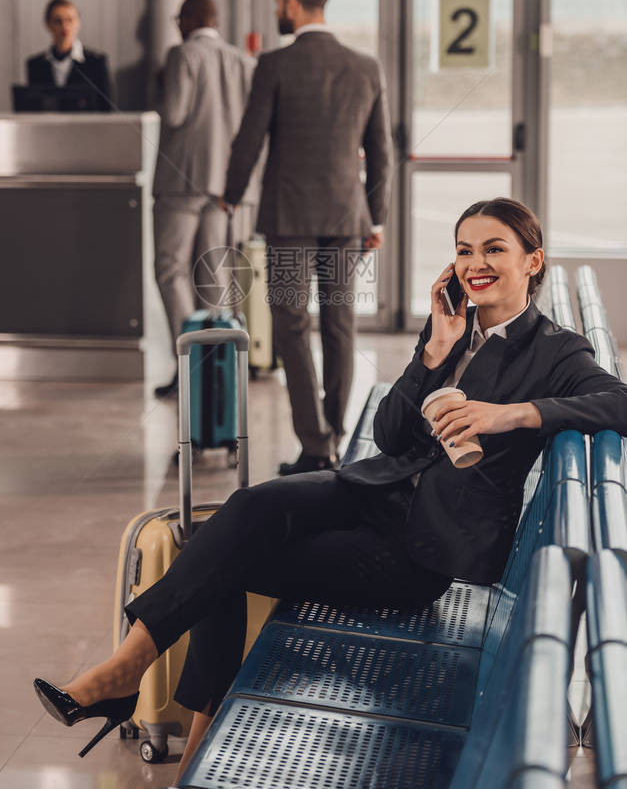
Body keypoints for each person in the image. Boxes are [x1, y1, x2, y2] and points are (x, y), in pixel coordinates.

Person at [33, 197, 627, 779]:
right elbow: (393, 436)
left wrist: (513, 414)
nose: (476, 263)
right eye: (464, 250)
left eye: (495, 249)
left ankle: (148, 701)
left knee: (221, 560)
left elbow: (618, 402)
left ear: (533, 261)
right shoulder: (452, 325)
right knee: (244, 512)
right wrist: (434, 351)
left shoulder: (555, 351)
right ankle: (130, 671)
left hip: (421, 549)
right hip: (375, 489)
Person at [220, 0, 393, 476]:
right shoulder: (364, 67)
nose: (277, 9)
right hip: (347, 217)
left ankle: (315, 444)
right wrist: (375, 218)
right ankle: (336, 435)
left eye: (279, 0)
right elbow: (380, 151)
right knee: (340, 326)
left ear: (293, 4)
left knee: (291, 326)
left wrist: (232, 195)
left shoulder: (274, 65)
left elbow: (250, 139)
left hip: (290, 218)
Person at [151, 0, 259, 398]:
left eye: (179, 18)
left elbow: (175, 113)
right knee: (213, 276)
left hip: (182, 182)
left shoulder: (182, 55)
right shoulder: (242, 62)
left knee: (169, 269)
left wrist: (160, 90)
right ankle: (218, 367)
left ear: (188, 19)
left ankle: (188, 363)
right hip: (225, 187)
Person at [26, 0, 112, 111]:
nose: (64, 26)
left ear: (78, 23)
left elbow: (106, 110)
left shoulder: (96, 62)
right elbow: (32, 109)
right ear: (48, 24)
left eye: (70, 20)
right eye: (58, 21)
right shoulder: (35, 65)